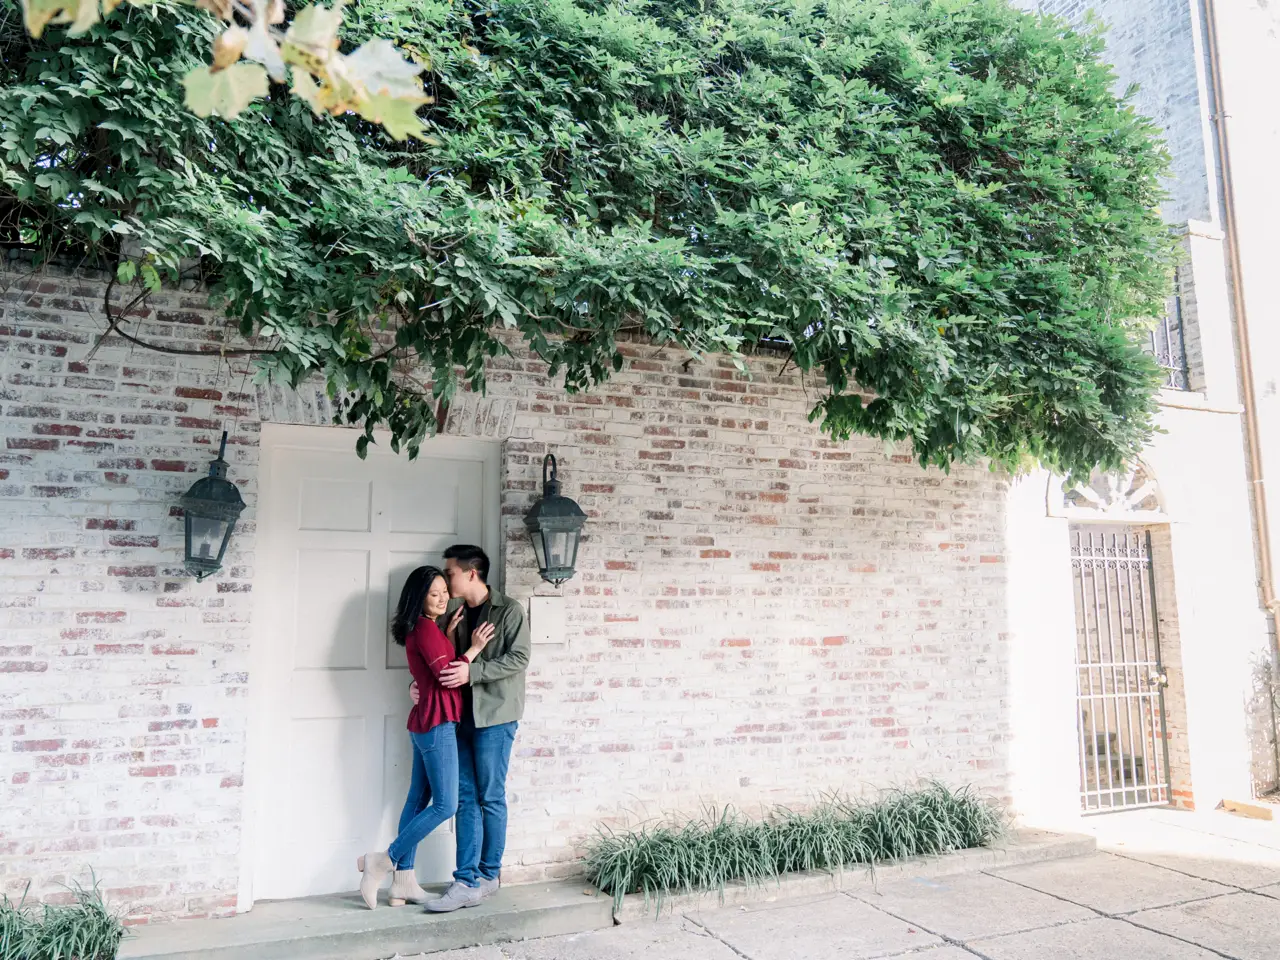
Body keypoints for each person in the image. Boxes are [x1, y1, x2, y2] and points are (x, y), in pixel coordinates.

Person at [356, 565, 493, 910]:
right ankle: (383, 861)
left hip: (423, 722)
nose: (444, 597)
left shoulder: (428, 628)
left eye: (445, 591)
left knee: (417, 801)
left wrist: (446, 633)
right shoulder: (425, 628)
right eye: (435, 594)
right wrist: (474, 649)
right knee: (446, 804)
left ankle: (403, 882)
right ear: (419, 599)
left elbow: (431, 670)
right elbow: (448, 675)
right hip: (437, 723)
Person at [410, 544, 530, 912]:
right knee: (463, 796)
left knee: (489, 796)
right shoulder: (454, 611)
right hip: (457, 717)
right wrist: (418, 684)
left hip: (495, 716)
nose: (446, 581)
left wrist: (472, 671)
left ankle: (489, 874)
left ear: (471, 573)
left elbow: (520, 657)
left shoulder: (509, 610)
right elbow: (438, 658)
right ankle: (466, 881)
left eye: (450, 573)